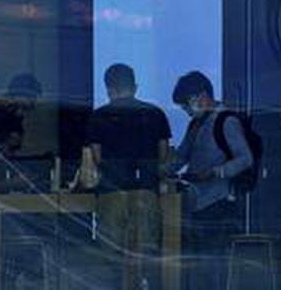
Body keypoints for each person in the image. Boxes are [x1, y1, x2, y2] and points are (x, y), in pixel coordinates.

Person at [85, 63, 172, 290]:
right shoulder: (155, 114)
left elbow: (96, 156)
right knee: (146, 254)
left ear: (109, 89)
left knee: (112, 255)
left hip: (112, 192)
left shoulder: (99, 116)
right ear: (134, 86)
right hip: (146, 191)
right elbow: (163, 154)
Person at [169, 71, 253, 290]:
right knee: (198, 264)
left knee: (212, 265)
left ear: (202, 96)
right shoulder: (197, 124)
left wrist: (216, 172)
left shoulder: (226, 121)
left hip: (218, 204)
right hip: (198, 203)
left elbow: (245, 158)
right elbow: (181, 157)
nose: (187, 111)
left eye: (187, 105)